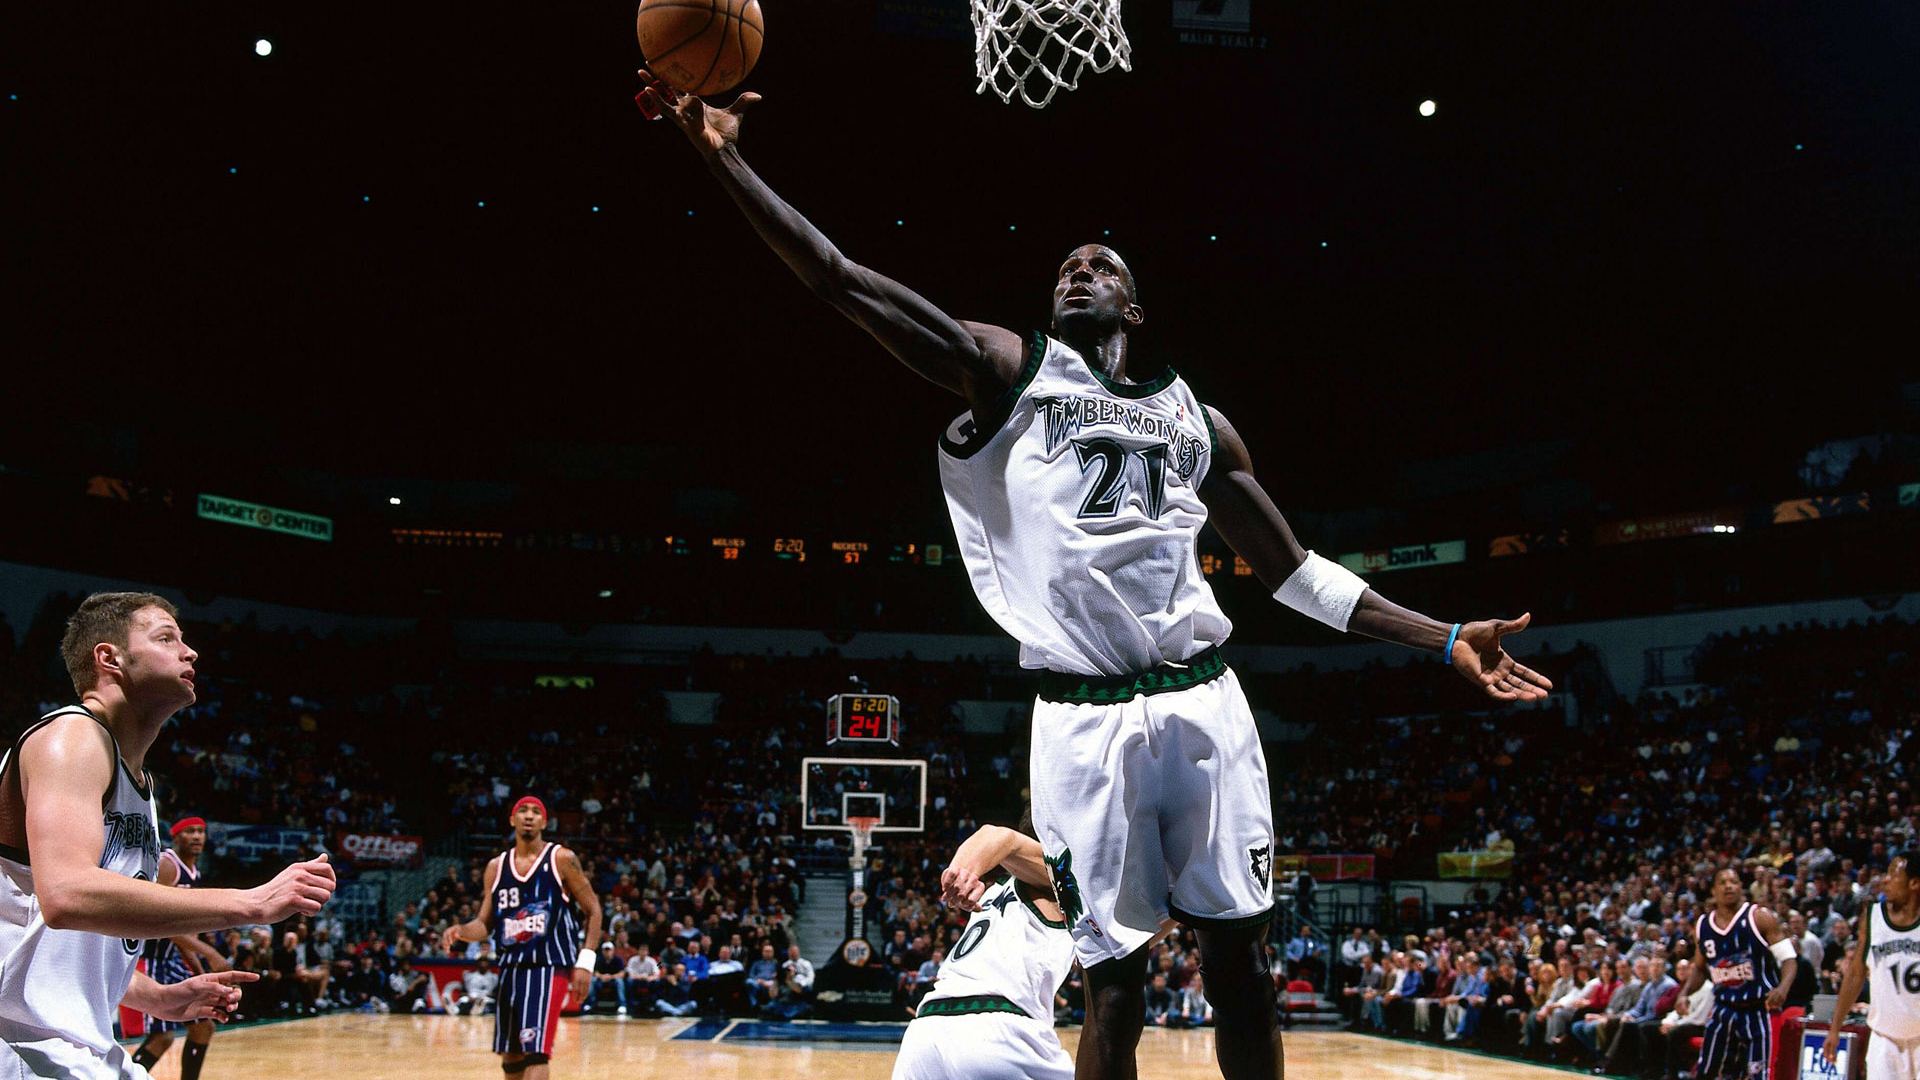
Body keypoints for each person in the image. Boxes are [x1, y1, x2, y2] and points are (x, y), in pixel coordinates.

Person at [639, 69, 1552, 1080]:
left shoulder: (1199, 421)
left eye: (1101, 265)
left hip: (1203, 702)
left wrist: (1443, 636)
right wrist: (723, 159)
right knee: (1114, 989)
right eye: (1067, 266)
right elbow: (840, 280)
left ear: (1134, 304)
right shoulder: (1011, 370)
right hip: (1081, 718)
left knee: (1242, 968)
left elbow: (1293, 572)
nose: (1079, 272)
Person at [0, 593, 334, 1079]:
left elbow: (62, 945)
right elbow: (66, 895)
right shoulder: (71, 738)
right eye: (166, 638)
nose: (190, 651)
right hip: (20, 1048)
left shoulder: (139, 782)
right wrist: (252, 902)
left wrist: (155, 997)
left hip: (73, 1045)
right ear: (110, 658)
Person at [893, 818, 1076, 1080]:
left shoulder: (995, 889)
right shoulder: (1063, 881)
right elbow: (997, 835)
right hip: (999, 1028)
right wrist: (963, 873)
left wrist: (960, 871)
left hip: (925, 1031)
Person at [441, 796, 603, 1080]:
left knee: (536, 1052)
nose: (529, 816)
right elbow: (484, 924)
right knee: (511, 1056)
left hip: (548, 967)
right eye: (523, 811)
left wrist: (585, 963)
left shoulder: (561, 859)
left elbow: (594, 910)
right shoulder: (496, 867)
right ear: (511, 819)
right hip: (510, 968)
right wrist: (461, 932)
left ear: (544, 822)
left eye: (536, 812)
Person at [130, 816, 231, 1080]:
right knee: (162, 1037)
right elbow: (160, 922)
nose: (197, 836)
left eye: (201, 831)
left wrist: (200, 971)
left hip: (171, 960)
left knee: (203, 1027)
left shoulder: (194, 873)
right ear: (175, 837)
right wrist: (211, 953)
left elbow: (185, 930)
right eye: (190, 831)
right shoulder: (168, 864)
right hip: (151, 959)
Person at [1679, 869, 1797, 1080]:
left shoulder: (1760, 917)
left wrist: (1783, 988)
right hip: (1723, 1009)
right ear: (1713, 890)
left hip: (1758, 1009)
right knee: (1707, 1073)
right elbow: (1700, 968)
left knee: (1756, 1075)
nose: (1728, 886)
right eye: (1723, 882)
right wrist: (1684, 992)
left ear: (1741, 887)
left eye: (1733, 881)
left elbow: (1789, 958)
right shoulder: (1703, 925)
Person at [1825, 850, 1920, 1079]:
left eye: (1892, 875)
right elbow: (1856, 974)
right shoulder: (1873, 917)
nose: (1884, 880)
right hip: (1884, 1039)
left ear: (1914, 883)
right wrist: (1835, 1027)